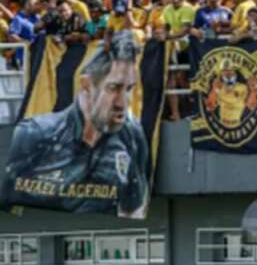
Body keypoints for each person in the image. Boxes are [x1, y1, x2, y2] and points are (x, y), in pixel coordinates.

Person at [0, 33, 149, 217]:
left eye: (128, 89)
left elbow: (133, 206)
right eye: (113, 88)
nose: (122, 103)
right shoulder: (34, 134)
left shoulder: (132, 134)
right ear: (86, 85)